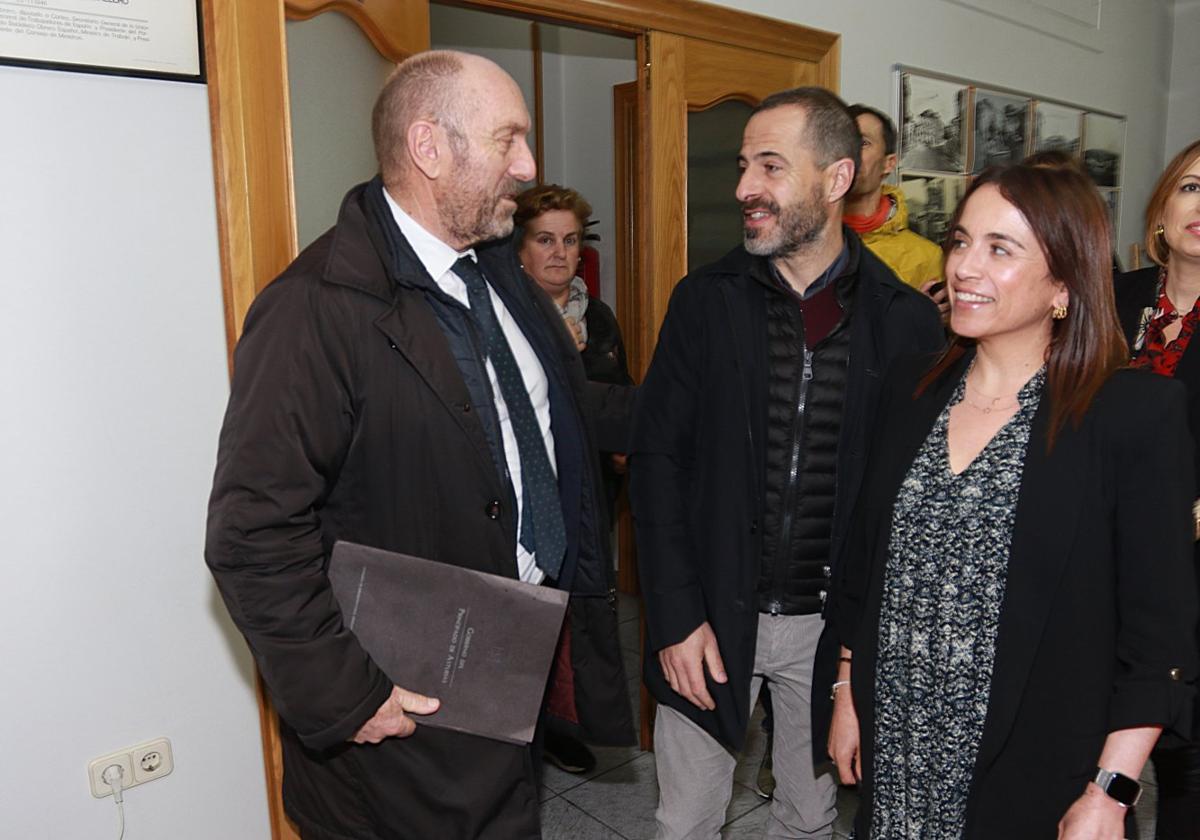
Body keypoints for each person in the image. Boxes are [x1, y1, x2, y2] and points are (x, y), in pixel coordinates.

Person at [205, 50, 633, 839]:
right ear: (430, 148)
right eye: (509, 140)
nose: (528, 165)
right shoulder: (313, 311)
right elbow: (252, 536)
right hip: (396, 716)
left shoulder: (498, 271)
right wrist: (349, 697)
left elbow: (550, 408)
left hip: (507, 666)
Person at [827, 163, 1198, 839]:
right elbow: (863, 565)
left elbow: (1158, 636)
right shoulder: (912, 388)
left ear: (1064, 282)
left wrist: (1111, 792)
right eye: (962, 241)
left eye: (1000, 250)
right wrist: (847, 690)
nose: (966, 267)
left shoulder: (1130, 413)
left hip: (1036, 766)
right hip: (899, 748)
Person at [630, 86, 943, 840]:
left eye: (770, 166)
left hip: (829, 633)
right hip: (708, 614)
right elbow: (656, 460)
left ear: (837, 178)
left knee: (807, 821)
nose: (744, 188)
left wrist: (860, 648)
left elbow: (905, 500)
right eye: (744, 166)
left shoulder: (905, 322)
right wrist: (675, 616)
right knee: (687, 820)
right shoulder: (704, 302)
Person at [513, 182, 634, 776]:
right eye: (544, 240)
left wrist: (624, 452)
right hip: (531, 496)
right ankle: (525, 730)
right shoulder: (505, 316)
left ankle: (563, 725)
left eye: (569, 240)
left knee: (579, 621)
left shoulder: (599, 317)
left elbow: (621, 389)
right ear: (520, 249)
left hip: (590, 491)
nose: (559, 253)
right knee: (528, 614)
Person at [1114, 138, 1200, 840]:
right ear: (1163, 207)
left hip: (1194, 570)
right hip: (1100, 562)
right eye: (1193, 187)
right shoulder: (1117, 297)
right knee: (1092, 764)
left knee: (1185, 767)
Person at [843, 105, 947, 316]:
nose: (850, 151)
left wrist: (928, 319)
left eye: (863, 142)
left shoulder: (925, 257)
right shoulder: (805, 243)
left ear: (888, 164)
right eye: (843, 140)